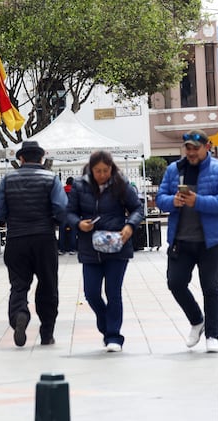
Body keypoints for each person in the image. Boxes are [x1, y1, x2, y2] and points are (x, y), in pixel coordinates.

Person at [156, 129, 218, 353]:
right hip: (181, 239)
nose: (191, 152)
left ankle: (212, 335)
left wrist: (197, 201)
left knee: (211, 287)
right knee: (175, 283)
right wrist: (173, 201)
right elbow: (160, 198)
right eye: (188, 148)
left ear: (207, 147)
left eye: (195, 148)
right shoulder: (174, 169)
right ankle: (197, 320)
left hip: (211, 241)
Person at [67, 151, 144, 352]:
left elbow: (137, 208)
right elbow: (69, 212)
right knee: (91, 293)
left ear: (111, 168)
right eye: (98, 171)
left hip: (117, 246)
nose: (102, 175)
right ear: (91, 170)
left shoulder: (121, 183)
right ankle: (105, 324)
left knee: (113, 292)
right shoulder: (79, 185)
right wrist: (78, 224)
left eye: (106, 170)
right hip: (90, 246)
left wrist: (130, 226)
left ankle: (114, 336)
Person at [0, 140, 67, 347]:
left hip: (16, 239)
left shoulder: (8, 179)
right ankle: (46, 333)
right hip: (44, 238)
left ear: (21, 158)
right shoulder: (51, 179)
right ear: (42, 158)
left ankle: (20, 314)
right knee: (48, 285)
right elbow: (61, 208)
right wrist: (54, 222)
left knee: (18, 285)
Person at [58, 177, 77, 255]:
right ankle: (72, 249)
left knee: (62, 232)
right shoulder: (75, 190)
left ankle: (61, 249)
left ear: (66, 182)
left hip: (63, 213)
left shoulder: (62, 190)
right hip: (72, 213)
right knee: (73, 232)